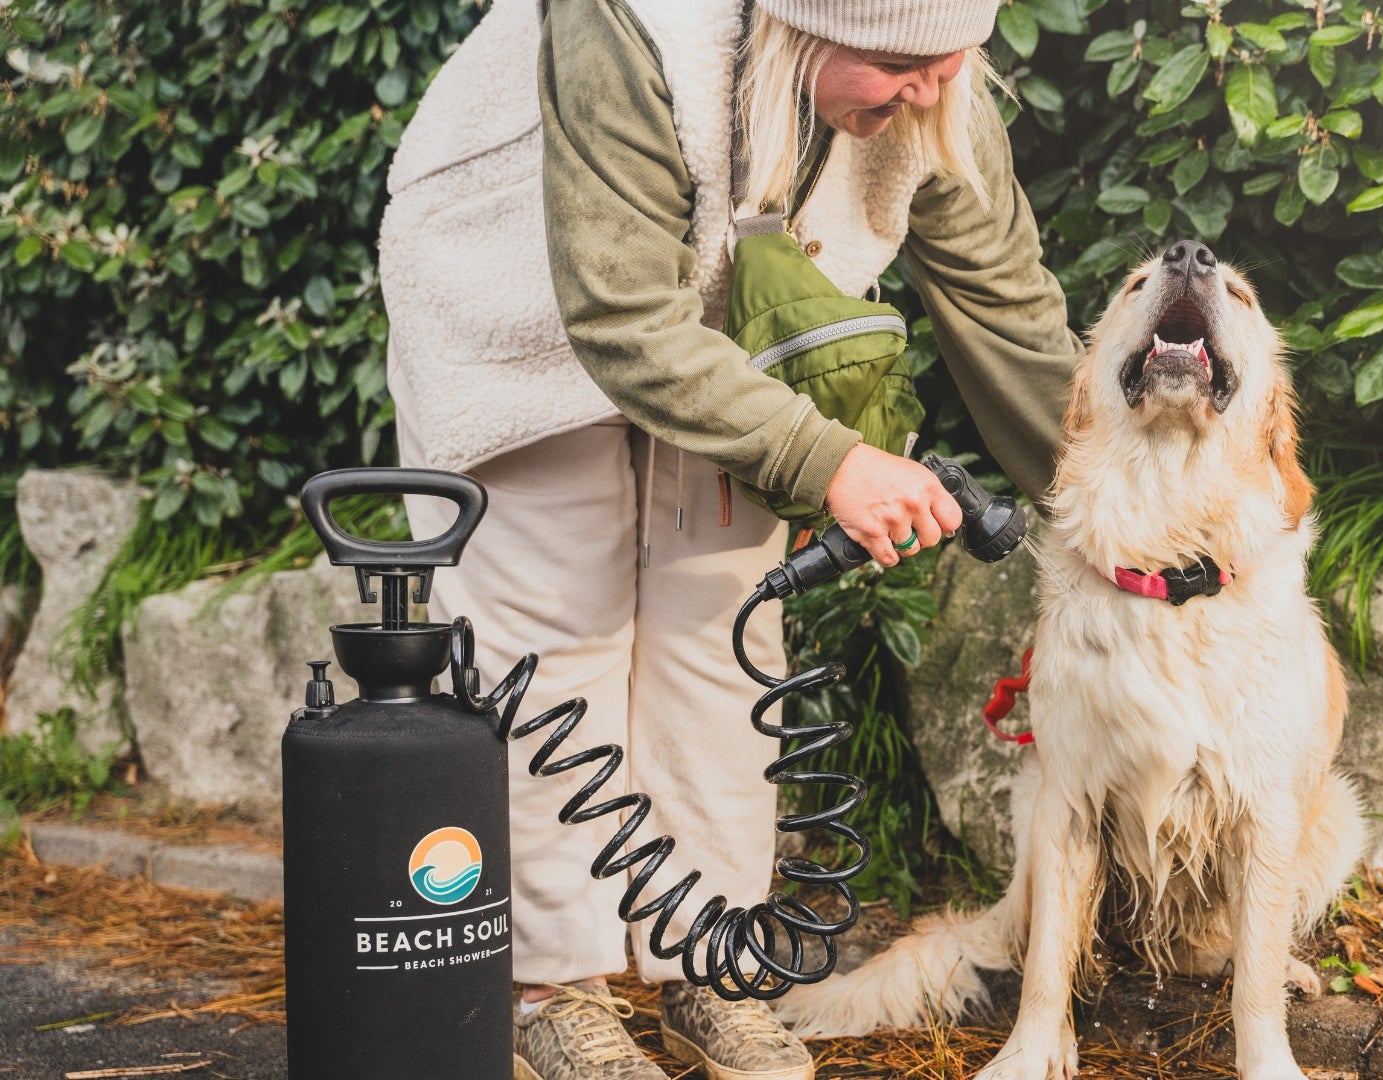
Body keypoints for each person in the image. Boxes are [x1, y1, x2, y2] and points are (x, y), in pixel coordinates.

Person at [377, 0, 1079, 1077]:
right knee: (557, 636)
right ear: (802, 26)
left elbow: (1007, 308)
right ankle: (546, 991)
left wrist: (1113, 508)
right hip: (514, 308)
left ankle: (707, 963)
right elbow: (619, 317)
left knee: (717, 636)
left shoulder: (931, 76)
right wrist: (834, 462)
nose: (931, 93)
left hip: (714, 324)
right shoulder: (632, 25)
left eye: (949, 63)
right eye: (898, 65)